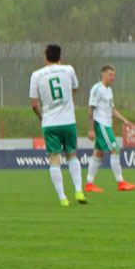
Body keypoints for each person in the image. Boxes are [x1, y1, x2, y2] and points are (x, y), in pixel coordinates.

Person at [29, 44, 86, 207]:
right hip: (68, 121)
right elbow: (76, 88)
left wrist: (42, 117)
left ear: (45, 57)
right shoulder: (68, 70)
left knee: (54, 159)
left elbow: (34, 103)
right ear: (60, 57)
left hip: (50, 123)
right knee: (72, 155)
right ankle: (78, 190)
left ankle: (62, 198)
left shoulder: (36, 75)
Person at [85, 65, 135, 192]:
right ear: (103, 75)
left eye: (114, 75)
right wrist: (91, 129)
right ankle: (120, 182)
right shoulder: (97, 89)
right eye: (110, 75)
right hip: (101, 124)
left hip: (106, 124)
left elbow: (111, 109)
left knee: (98, 153)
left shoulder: (109, 90)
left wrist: (123, 119)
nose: (113, 77)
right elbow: (90, 109)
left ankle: (89, 184)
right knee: (114, 149)